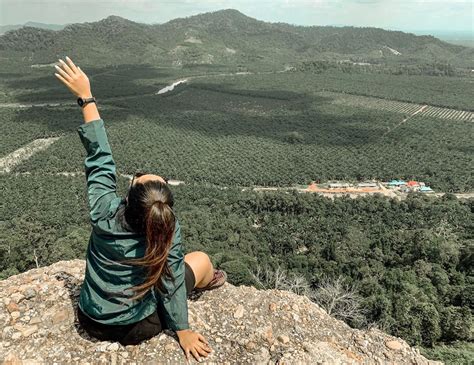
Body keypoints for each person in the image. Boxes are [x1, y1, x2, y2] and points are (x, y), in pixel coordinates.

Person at [54, 56, 227, 363]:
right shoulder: (167, 228)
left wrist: (86, 97)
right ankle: (209, 281)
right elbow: (172, 281)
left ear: (129, 197)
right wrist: (182, 329)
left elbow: (100, 158)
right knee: (200, 262)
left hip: (91, 320)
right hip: (138, 326)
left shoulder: (104, 212)